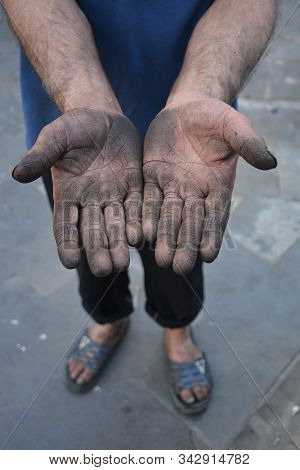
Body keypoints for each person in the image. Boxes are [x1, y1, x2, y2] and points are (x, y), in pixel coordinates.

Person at [3, 0, 277, 415]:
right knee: (90, 238)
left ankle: (177, 330)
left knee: (179, 246)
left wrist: (200, 90)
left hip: (189, 122)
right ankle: (108, 318)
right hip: (72, 117)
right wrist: (85, 97)